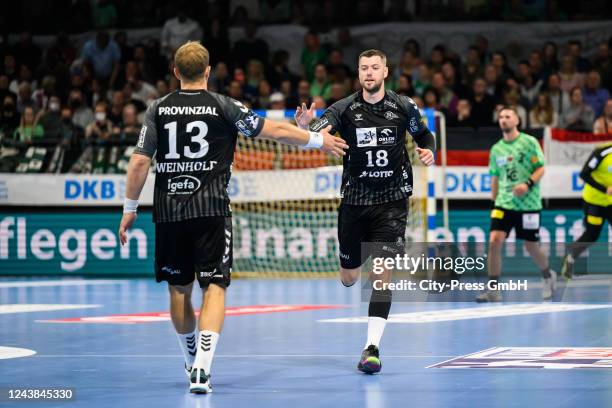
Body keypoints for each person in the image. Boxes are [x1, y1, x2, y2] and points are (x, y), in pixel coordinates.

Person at [117, 41, 346, 394]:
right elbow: (274, 131)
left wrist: (130, 209)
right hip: (211, 210)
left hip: (169, 212)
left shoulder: (157, 109)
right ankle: (203, 371)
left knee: (179, 291)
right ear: (208, 71)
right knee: (215, 287)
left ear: (176, 72)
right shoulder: (225, 106)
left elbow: (139, 162)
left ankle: (190, 359)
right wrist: (317, 140)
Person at [294, 49, 435, 374]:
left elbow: (424, 135)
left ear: (385, 71)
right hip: (354, 202)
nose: (369, 73)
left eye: (375, 67)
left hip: (392, 202)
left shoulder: (403, 106)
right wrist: (305, 129)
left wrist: (429, 150)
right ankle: (348, 267)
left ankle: (372, 348)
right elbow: (317, 131)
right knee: (349, 277)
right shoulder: (344, 108)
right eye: (364, 68)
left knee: (382, 276)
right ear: (359, 74)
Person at [476, 106, 556, 302]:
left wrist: (527, 184)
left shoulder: (529, 142)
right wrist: (493, 203)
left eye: (508, 116)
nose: (503, 119)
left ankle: (548, 276)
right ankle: (493, 290)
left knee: (531, 247)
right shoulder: (496, 149)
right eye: (501, 117)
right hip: (504, 203)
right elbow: (495, 178)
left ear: (517, 120)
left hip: (528, 204)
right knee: (494, 241)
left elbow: (540, 169)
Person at [560, 142, 612, 279]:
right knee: (591, 235)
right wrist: (605, 189)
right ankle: (570, 258)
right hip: (595, 202)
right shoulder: (602, 152)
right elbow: (584, 174)